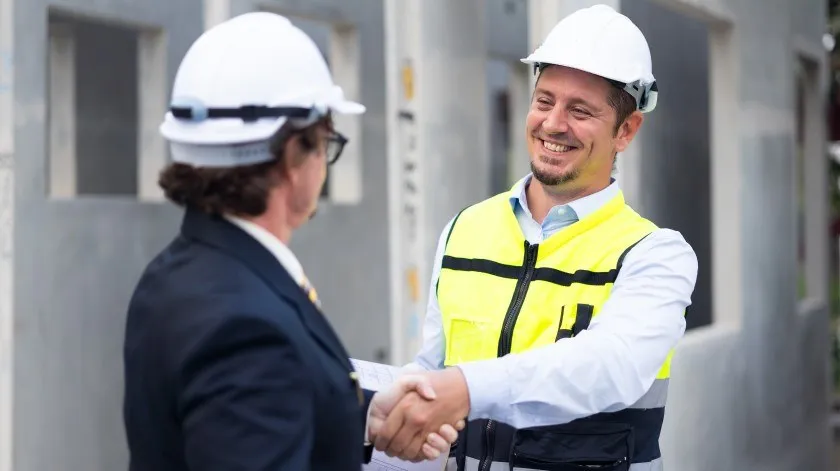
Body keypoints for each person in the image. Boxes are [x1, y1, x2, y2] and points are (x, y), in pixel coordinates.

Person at [121, 12, 459, 471]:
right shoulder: (245, 328)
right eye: (327, 142)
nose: (326, 162)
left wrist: (363, 416)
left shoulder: (174, 273)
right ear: (292, 155)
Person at [372, 5, 698, 471]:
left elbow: (611, 365)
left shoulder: (654, 255)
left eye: (580, 110)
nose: (552, 123)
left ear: (625, 130)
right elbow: (430, 370)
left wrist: (464, 388)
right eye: (544, 101)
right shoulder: (464, 230)